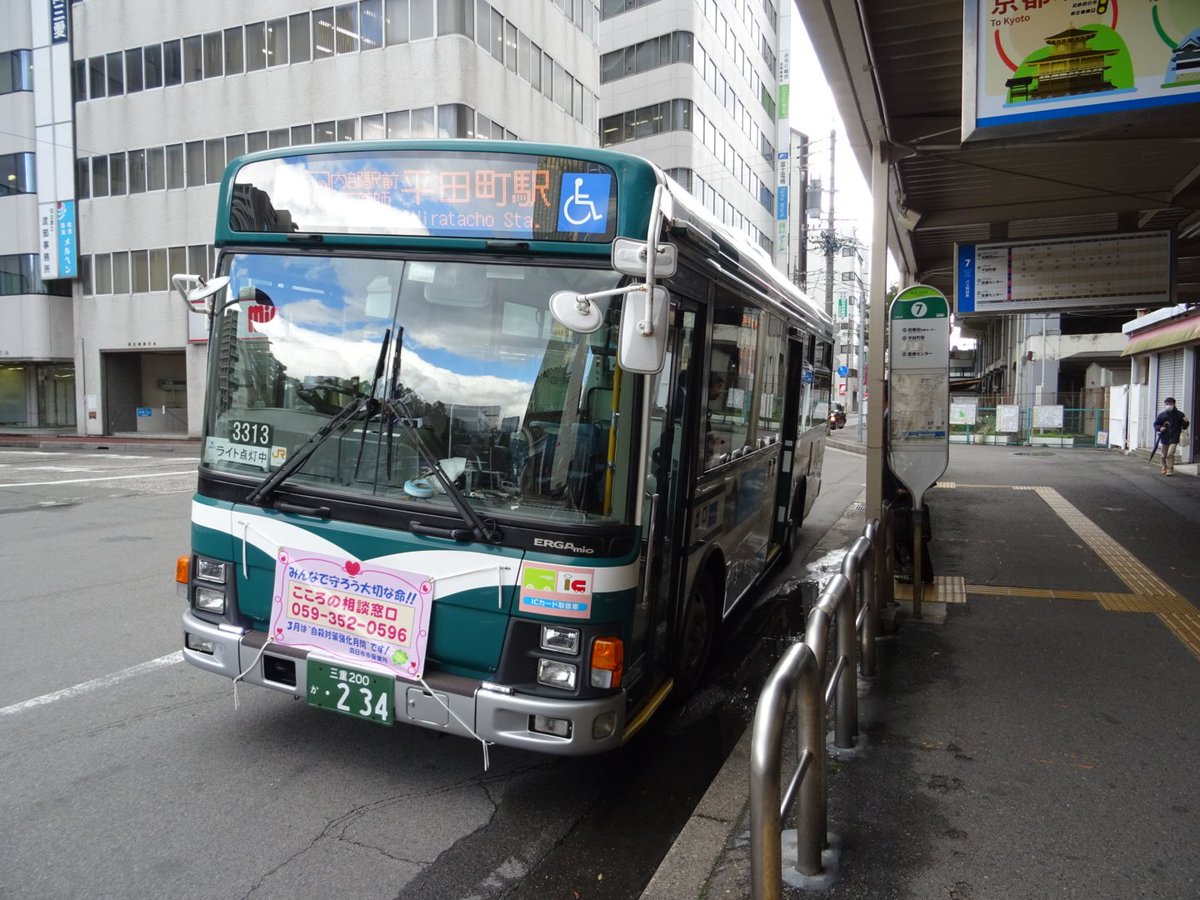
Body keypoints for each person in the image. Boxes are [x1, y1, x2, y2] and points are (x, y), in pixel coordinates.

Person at [1153, 397, 1189, 476]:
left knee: (1170, 454)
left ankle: (1170, 469)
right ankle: (1164, 466)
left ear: (1174, 404)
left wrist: (1186, 422)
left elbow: (1184, 427)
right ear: (1165, 404)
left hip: (1175, 437)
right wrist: (1159, 428)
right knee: (1164, 455)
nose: (1168, 405)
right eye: (1167, 404)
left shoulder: (1180, 414)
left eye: (1170, 404)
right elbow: (1156, 424)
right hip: (1164, 437)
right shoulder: (1162, 415)